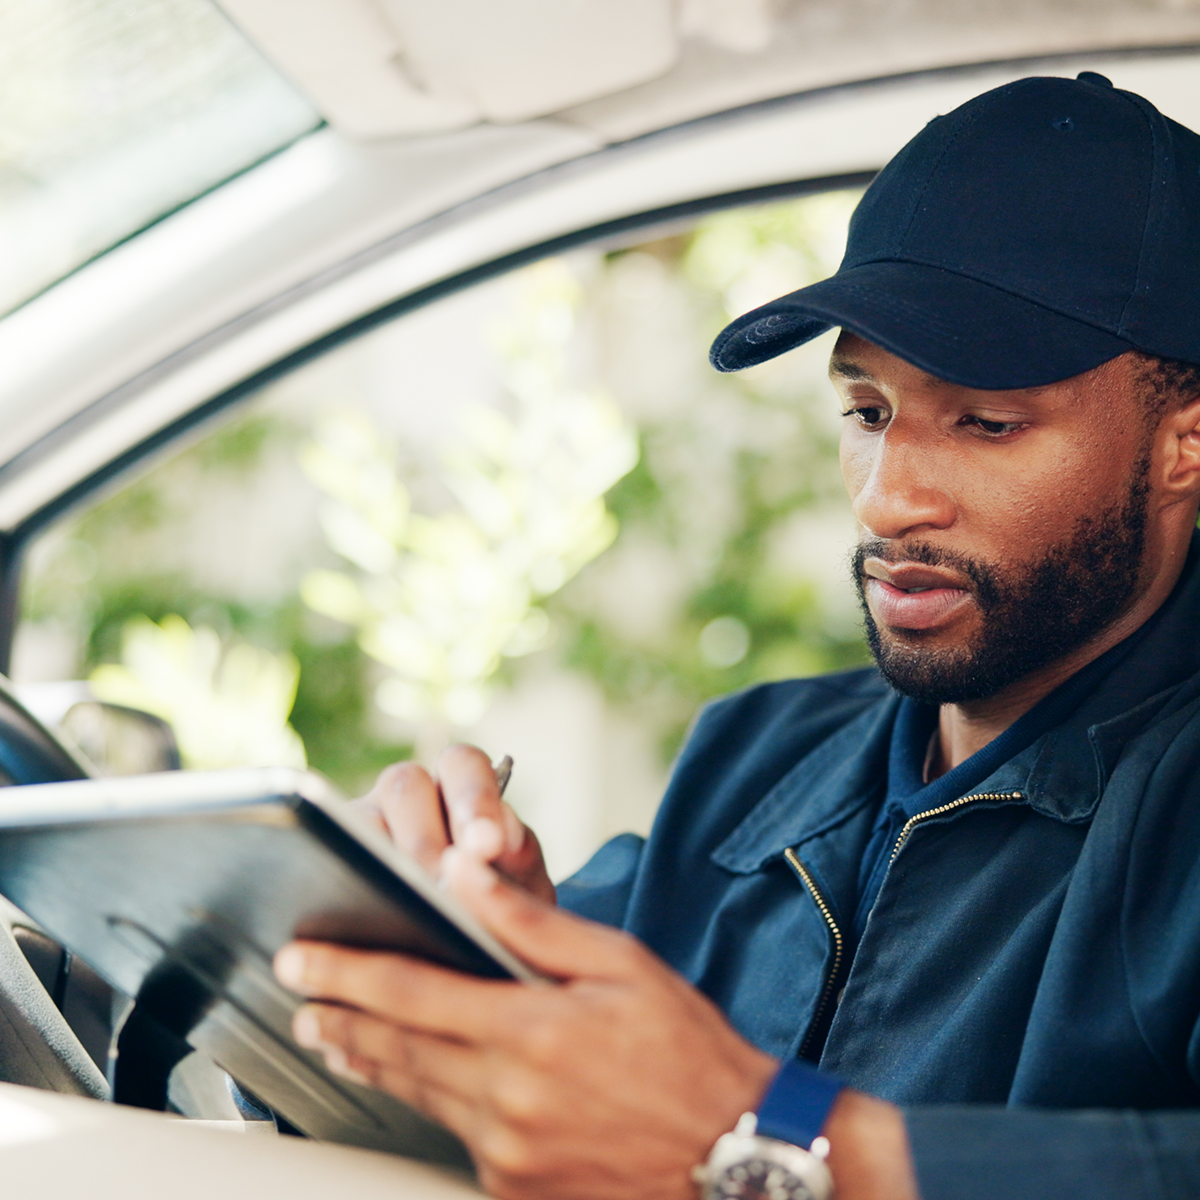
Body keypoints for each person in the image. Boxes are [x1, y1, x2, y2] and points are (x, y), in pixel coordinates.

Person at [271, 73, 1200, 1199]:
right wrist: (470, 947)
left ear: (1182, 447)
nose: (886, 498)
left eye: (986, 423)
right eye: (867, 413)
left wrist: (787, 1144)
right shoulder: (756, 758)